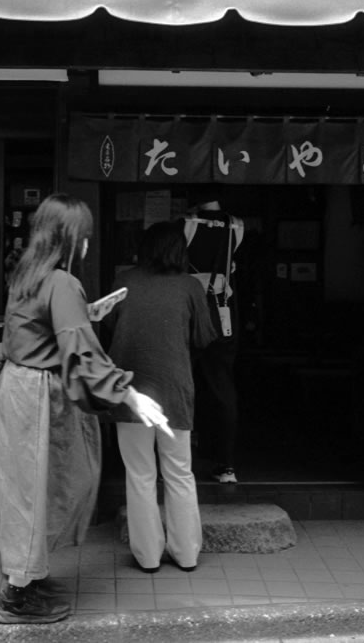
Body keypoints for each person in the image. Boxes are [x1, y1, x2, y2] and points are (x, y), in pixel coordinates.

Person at [0, 192, 171, 625]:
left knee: (23, 487)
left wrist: (86, 313)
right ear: (70, 238)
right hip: (40, 395)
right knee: (41, 487)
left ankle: (25, 573)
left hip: (16, 387)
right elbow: (82, 353)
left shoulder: (27, 271)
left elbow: (46, 330)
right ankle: (16, 598)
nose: (86, 245)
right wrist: (132, 395)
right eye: (84, 237)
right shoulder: (63, 282)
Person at [104, 221, 217, 574]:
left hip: (130, 390)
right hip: (175, 389)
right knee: (179, 472)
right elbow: (204, 338)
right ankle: (186, 554)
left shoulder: (124, 281)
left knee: (139, 474)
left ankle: (147, 557)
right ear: (179, 251)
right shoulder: (189, 286)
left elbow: (107, 327)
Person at [183, 197, 245, 484]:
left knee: (180, 384)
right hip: (223, 310)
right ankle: (226, 464)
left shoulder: (188, 224)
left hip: (190, 309)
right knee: (222, 386)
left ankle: (176, 463)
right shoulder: (236, 225)